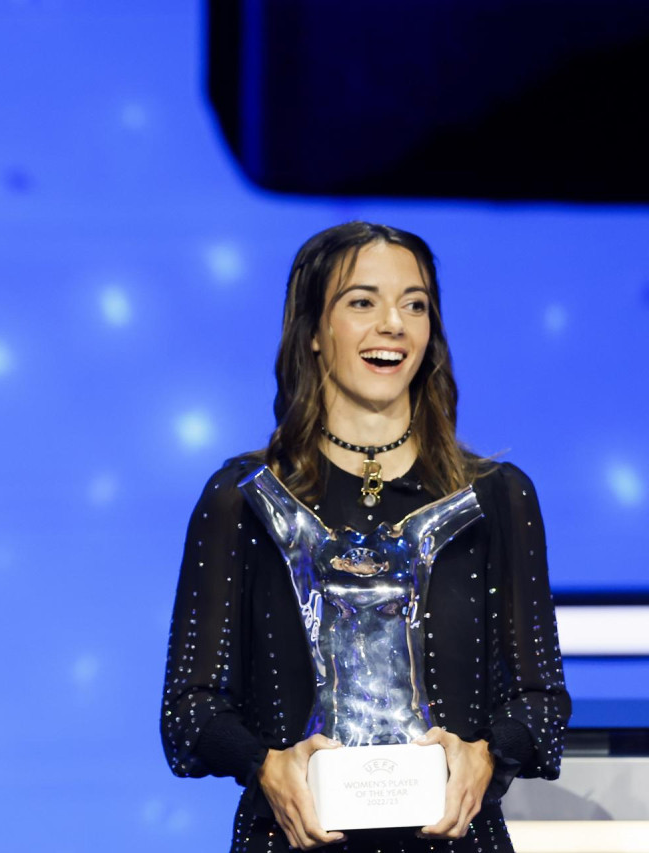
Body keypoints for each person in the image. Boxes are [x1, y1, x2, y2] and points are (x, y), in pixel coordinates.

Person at [160, 222, 569, 852]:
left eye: (415, 304)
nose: (393, 325)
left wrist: (488, 756)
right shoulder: (241, 499)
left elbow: (541, 702)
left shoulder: (497, 498)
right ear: (315, 333)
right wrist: (267, 765)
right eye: (362, 301)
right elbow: (189, 714)